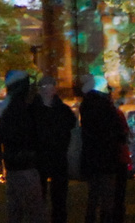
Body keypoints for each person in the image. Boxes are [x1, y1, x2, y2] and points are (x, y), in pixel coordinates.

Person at [0, 70, 47, 223]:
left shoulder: (6, 110)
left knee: (15, 209)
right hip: (27, 166)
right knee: (34, 210)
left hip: (13, 166)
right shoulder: (26, 108)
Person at [78, 75, 128, 223]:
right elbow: (118, 132)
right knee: (107, 195)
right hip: (107, 156)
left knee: (93, 194)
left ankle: (91, 218)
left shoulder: (86, 105)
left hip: (92, 157)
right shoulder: (107, 109)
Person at [36, 78, 77, 223]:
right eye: (44, 86)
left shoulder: (63, 110)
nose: (47, 89)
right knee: (38, 196)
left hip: (57, 156)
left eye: (50, 86)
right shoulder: (34, 110)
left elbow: (72, 127)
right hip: (39, 157)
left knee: (59, 197)